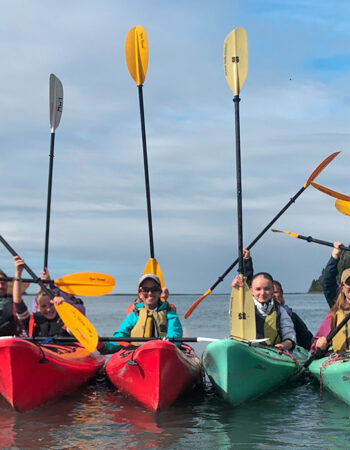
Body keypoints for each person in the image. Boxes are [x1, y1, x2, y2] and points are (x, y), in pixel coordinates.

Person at [101, 273, 183, 354]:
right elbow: (120, 337)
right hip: (138, 354)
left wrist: (166, 346)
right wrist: (102, 345)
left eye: (154, 289)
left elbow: (175, 333)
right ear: (139, 294)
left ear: (159, 293)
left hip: (164, 352)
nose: (150, 293)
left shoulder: (170, 315)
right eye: (145, 290)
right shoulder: (133, 316)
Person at [232, 271, 296, 350]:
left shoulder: (281, 311)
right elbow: (234, 315)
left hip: (273, 351)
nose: (262, 293)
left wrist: (283, 345)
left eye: (266, 289)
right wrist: (237, 289)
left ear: (272, 290)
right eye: (258, 289)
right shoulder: (242, 308)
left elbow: (290, 338)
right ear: (251, 291)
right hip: (247, 349)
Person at [13, 256, 70, 337]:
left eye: (51, 304)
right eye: (43, 306)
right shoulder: (30, 321)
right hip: (38, 348)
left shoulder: (67, 319)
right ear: (37, 308)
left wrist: (64, 305)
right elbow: (18, 302)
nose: (49, 309)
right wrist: (18, 273)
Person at [311, 263, 350, 354]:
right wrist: (319, 344)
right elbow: (314, 347)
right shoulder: (334, 314)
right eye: (349, 283)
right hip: (342, 360)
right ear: (342, 288)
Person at [273, 280, 313, 350]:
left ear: (281, 292)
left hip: (287, 348)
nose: (273, 295)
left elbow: (307, 340)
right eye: (270, 292)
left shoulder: (292, 316)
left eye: (275, 292)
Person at [0, 259, 22, 336]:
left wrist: (18, 272)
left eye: (3, 283)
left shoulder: (13, 301)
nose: (1, 286)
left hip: (9, 339)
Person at [322, 241, 346, 308]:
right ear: (342, 287)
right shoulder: (338, 303)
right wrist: (335, 256)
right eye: (348, 282)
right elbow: (327, 283)